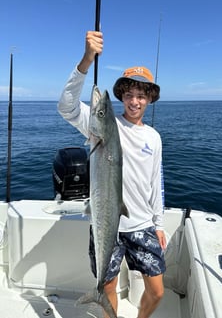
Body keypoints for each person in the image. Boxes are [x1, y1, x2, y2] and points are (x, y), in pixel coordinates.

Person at [58, 31, 166, 318]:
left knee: (157, 291)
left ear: (149, 99)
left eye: (141, 96)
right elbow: (66, 106)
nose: (134, 101)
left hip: (141, 224)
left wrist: (159, 223)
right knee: (107, 288)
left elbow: (157, 183)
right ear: (121, 96)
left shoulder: (154, 138)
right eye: (129, 95)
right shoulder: (101, 128)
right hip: (107, 225)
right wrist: (86, 60)